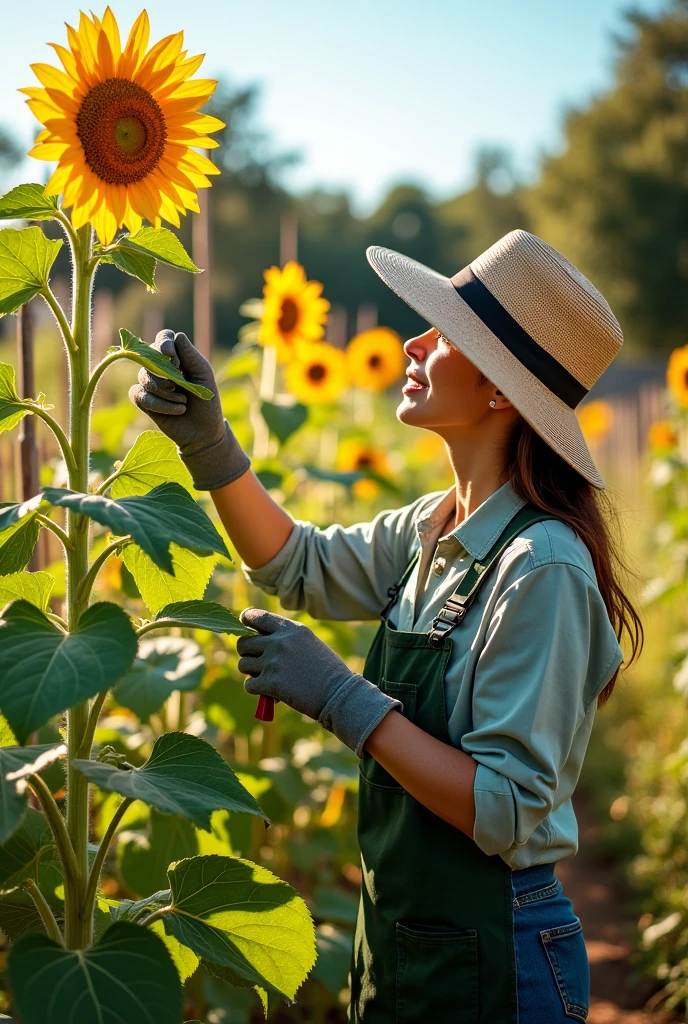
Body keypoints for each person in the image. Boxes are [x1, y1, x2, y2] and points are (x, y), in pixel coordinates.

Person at [130, 229, 644, 1024]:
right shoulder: (435, 527)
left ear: (501, 390)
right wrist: (212, 447)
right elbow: (297, 563)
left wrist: (341, 697)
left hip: (500, 949)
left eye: (446, 334)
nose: (413, 340)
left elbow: (504, 809)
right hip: (407, 930)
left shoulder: (542, 567)